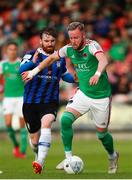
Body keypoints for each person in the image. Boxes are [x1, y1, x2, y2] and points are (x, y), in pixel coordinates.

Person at [23, 22, 119, 174]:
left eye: (76, 37)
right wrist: (33, 71)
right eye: (71, 37)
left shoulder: (92, 46)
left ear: (83, 36)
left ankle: (112, 155)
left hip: (101, 97)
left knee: (101, 134)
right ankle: (68, 158)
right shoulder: (68, 49)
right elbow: (50, 59)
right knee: (65, 120)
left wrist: (97, 74)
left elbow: (103, 61)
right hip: (83, 94)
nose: (73, 41)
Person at [19, 27, 75, 174]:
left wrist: (77, 78)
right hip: (31, 102)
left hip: (50, 101)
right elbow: (21, 70)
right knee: (35, 141)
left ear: (55, 41)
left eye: (52, 41)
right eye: (46, 40)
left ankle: (40, 162)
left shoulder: (60, 58)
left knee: (47, 122)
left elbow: (65, 75)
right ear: (40, 41)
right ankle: (38, 154)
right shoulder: (31, 54)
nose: (49, 43)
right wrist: (34, 62)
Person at [0, 42, 27, 158]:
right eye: (10, 49)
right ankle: (16, 145)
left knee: (22, 124)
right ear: (6, 51)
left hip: (20, 96)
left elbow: (26, 79)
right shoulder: (2, 64)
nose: (12, 51)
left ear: (17, 51)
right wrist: (1, 92)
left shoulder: (21, 63)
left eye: (14, 49)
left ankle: (23, 151)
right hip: (8, 97)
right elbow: (1, 80)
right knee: (8, 124)